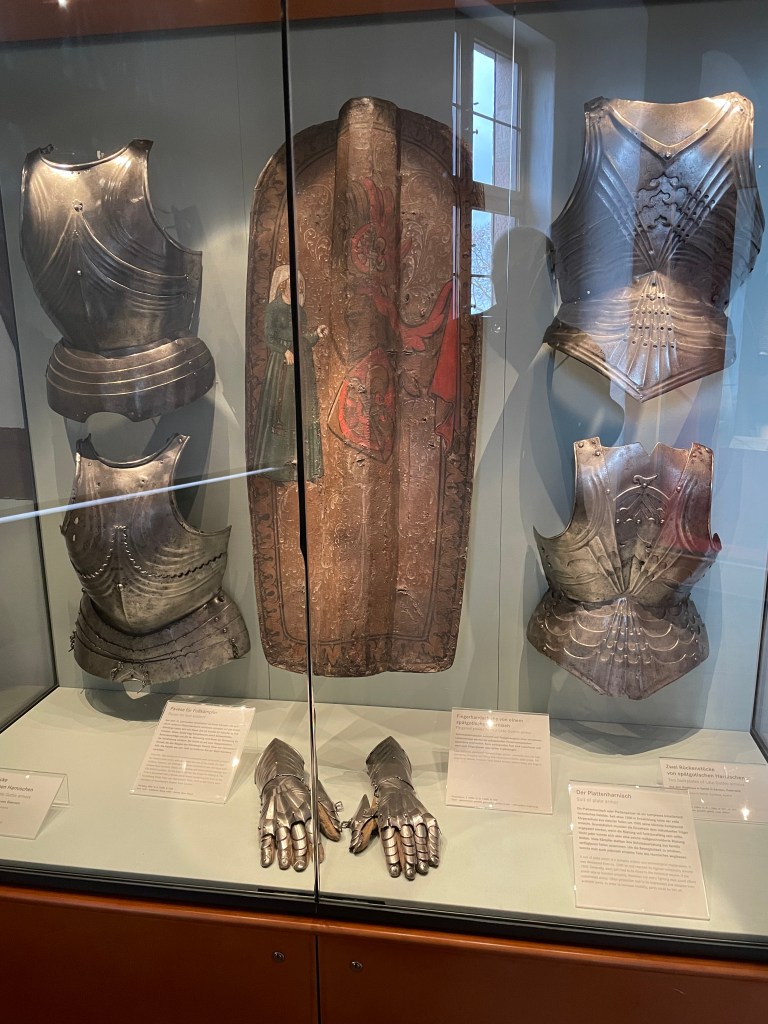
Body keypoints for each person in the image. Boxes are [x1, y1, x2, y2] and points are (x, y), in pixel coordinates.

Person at [253, 265, 327, 482]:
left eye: (300, 286)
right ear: (283, 286)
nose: (298, 290)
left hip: (302, 365)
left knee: (301, 411)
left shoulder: (300, 311)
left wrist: (316, 334)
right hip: (282, 366)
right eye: (294, 285)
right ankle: (277, 465)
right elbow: (269, 337)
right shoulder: (274, 309)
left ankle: (300, 462)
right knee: (282, 410)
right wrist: (284, 350)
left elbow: (303, 340)